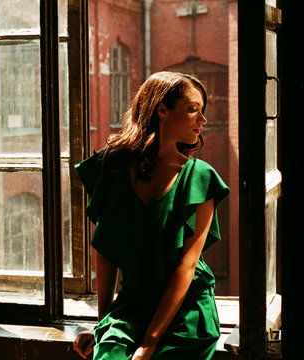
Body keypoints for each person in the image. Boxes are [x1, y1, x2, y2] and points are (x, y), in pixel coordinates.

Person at [72, 71, 230, 360]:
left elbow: (187, 266)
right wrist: (102, 324)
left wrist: (150, 342)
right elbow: (106, 251)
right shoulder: (113, 168)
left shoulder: (200, 178)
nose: (203, 120)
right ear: (162, 110)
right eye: (193, 109)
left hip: (186, 311)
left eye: (202, 111)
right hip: (132, 303)